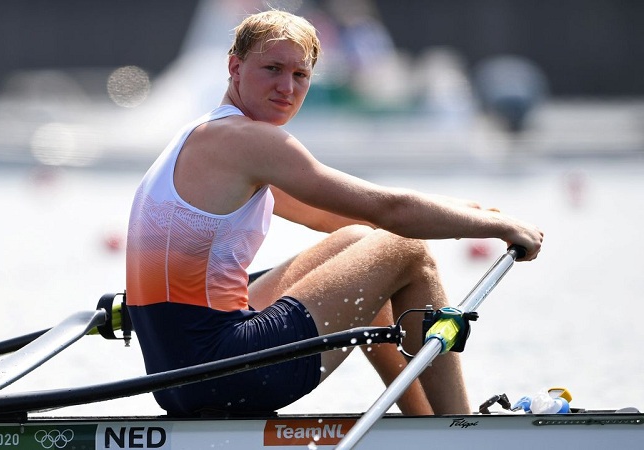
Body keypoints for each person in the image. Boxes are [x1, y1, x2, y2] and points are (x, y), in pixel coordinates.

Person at [125, 10, 543, 417]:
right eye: (272, 69)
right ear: (235, 67)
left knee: (359, 243)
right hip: (227, 374)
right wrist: (498, 225)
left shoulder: (203, 136)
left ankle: (424, 417)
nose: (286, 87)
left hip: (175, 379)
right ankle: (457, 424)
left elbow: (346, 219)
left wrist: (460, 213)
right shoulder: (249, 141)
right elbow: (390, 211)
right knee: (406, 249)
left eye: (300, 75)